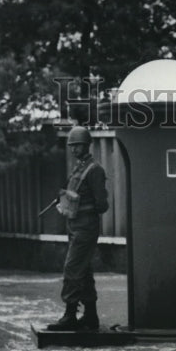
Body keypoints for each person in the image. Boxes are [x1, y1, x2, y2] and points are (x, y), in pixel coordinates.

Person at [47, 125, 109, 331]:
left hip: (85, 227)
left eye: (78, 146)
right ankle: (91, 316)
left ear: (87, 145)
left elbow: (102, 205)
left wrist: (81, 204)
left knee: (72, 268)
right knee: (84, 270)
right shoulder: (78, 168)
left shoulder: (95, 170)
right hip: (74, 225)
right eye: (72, 146)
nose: (74, 150)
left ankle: (70, 315)